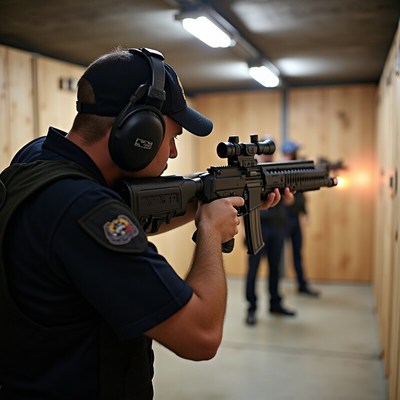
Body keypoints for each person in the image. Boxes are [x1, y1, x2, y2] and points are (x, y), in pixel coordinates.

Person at [0, 47, 288, 400]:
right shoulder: (87, 210)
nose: (173, 153)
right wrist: (211, 233)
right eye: (173, 137)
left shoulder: (38, 160)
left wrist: (213, 198)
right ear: (140, 130)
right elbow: (202, 336)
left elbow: (124, 212)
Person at [245, 152, 296, 325]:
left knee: (275, 269)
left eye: (270, 153)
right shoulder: (250, 173)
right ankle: (251, 309)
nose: (267, 156)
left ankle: (275, 303)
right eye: (264, 153)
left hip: (277, 227)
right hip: (258, 227)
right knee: (253, 271)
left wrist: (289, 197)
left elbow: (289, 201)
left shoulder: (279, 171)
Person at [281, 139, 320, 297]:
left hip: (295, 219)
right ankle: (275, 292)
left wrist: (305, 213)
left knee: (297, 253)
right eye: (293, 152)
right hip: (282, 219)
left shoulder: (297, 170)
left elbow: (302, 195)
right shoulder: (279, 170)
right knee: (274, 257)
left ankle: (302, 285)